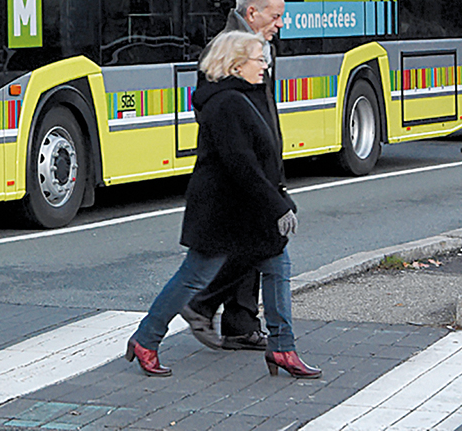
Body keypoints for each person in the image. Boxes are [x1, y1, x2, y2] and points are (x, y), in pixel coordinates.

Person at [125, 30, 319, 380]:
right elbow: (240, 163)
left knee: (277, 267)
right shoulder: (226, 102)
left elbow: (264, 155)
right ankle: (146, 338)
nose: (265, 66)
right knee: (194, 276)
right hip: (224, 210)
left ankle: (283, 347)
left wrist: (277, 196)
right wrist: (277, 205)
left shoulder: (247, 94)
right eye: (259, 60)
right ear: (236, 63)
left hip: (245, 208)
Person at [186, 0, 287, 352]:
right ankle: (202, 306)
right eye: (275, 16)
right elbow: (219, 110)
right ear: (252, 12)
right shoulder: (230, 48)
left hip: (255, 166)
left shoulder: (258, 46)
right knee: (259, 244)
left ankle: (239, 323)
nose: (280, 23)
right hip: (238, 171)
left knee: (256, 243)